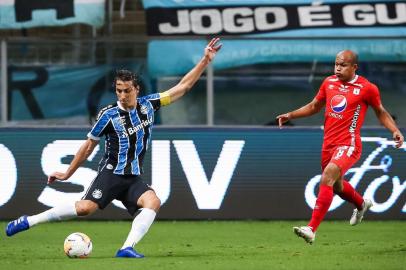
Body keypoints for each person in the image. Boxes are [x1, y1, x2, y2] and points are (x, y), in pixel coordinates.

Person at [6, 38, 222, 257]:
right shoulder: (108, 115)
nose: (122, 95)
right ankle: (29, 220)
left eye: (126, 90)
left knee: (153, 202)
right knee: (85, 208)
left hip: (132, 176)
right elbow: (88, 147)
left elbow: (183, 87)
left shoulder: (149, 105)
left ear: (137, 89)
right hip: (112, 173)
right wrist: (67, 173)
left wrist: (205, 60)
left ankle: (126, 248)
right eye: (118, 90)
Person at [276, 50, 404, 244]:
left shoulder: (367, 88)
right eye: (336, 64)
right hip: (328, 144)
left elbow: (381, 111)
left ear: (354, 67)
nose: (337, 68)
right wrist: (290, 115)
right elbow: (314, 106)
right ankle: (362, 204)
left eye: (343, 65)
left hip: (349, 143)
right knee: (337, 186)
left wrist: (394, 130)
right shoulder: (329, 83)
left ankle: (311, 229)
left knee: (327, 177)